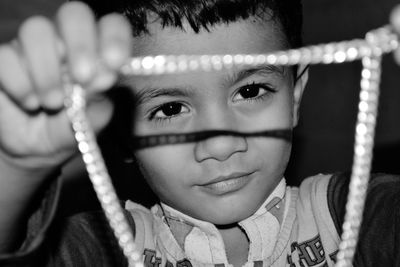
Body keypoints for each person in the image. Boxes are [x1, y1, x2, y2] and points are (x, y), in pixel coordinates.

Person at [0, 0, 400, 266]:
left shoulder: (357, 216)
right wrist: (14, 169)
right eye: (170, 108)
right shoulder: (104, 248)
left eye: (250, 91)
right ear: (120, 131)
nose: (222, 143)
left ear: (295, 97)